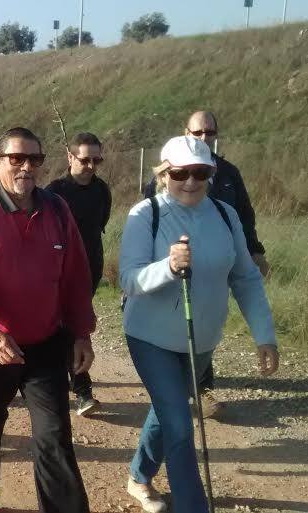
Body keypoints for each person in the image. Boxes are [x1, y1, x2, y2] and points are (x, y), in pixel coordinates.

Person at [119, 135, 278, 513]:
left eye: (200, 173)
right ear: (163, 175)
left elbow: (246, 278)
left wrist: (264, 336)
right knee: (179, 425)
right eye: (180, 173)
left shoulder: (225, 214)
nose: (190, 181)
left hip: (200, 341)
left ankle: (139, 477)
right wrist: (169, 267)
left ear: (211, 174)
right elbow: (129, 279)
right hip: (149, 337)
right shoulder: (146, 215)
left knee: (166, 411)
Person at [0, 127, 96, 513]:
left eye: (35, 159)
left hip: (45, 344)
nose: (27, 167)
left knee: (54, 435)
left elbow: (76, 278)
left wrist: (81, 334)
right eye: (17, 159)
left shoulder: (58, 212)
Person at [143, 111, 268, 417]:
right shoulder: (163, 177)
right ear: (185, 131)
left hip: (217, 262)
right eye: (197, 132)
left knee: (205, 318)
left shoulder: (228, 172)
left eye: (209, 132)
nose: (203, 138)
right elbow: (147, 219)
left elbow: (244, 214)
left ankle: (199, 388)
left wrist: (255, 251)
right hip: (172, 270)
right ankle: (186, 392)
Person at [45, 132, 112, 417]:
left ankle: (77, 389)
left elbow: (100, 226)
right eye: (85, 159)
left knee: (74, 327)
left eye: (96, 160)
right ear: (70, 157)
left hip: (89, 273)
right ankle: (80, 391)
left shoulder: (102, 191)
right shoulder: (53, 192)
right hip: (56, 273)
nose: (91, 166)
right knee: (64, 328)